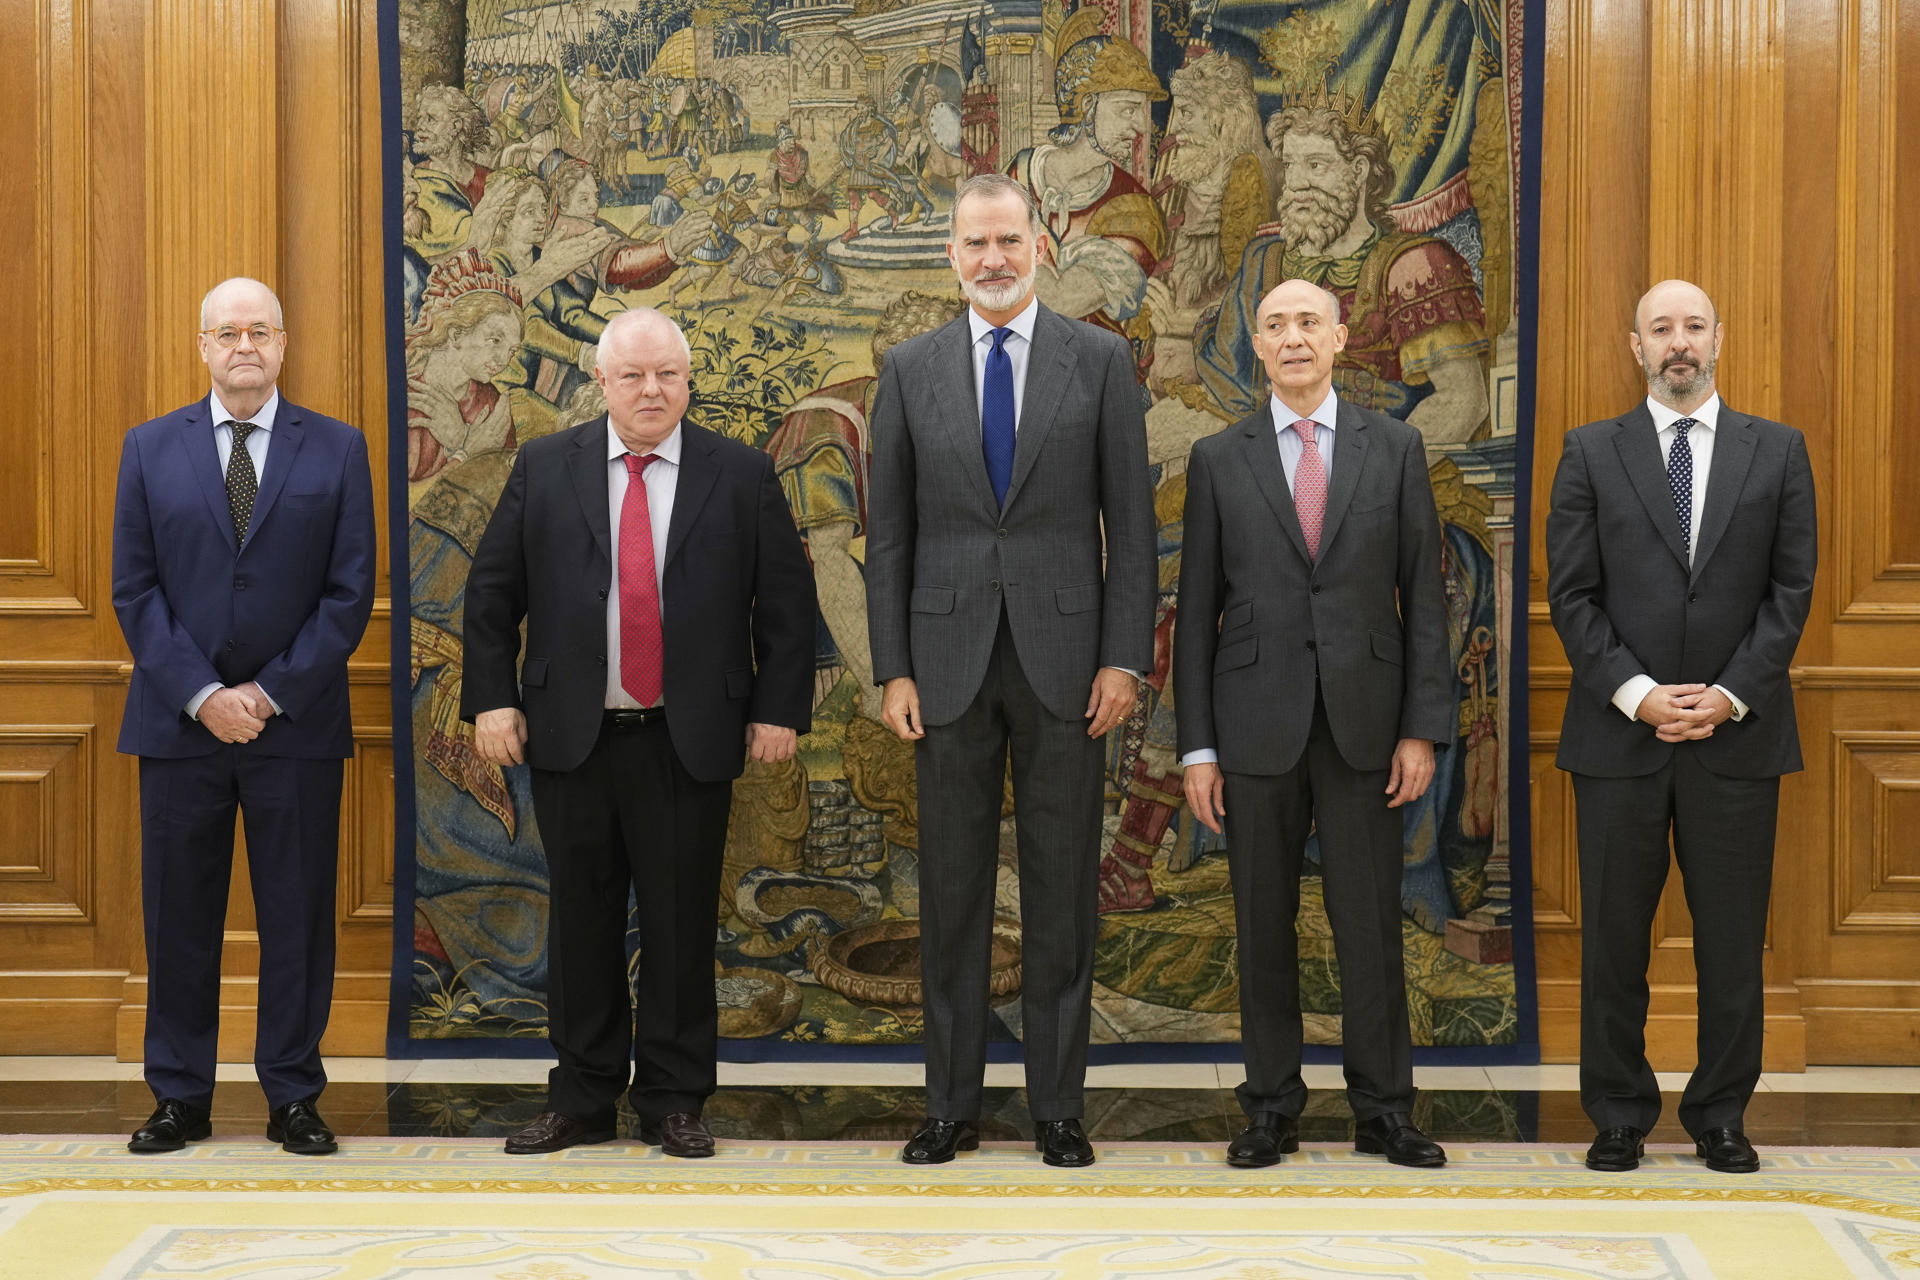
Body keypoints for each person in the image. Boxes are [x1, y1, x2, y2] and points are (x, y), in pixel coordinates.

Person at [462, 308, 816, 1158]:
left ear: (687, 381)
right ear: (604, 383)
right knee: (580, 924)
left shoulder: (739, 473)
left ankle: (672, 1101)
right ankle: (581, 1098)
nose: (652, 390)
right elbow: (489, 596)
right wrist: (492, 701)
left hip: (687, 737)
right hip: (569, 735)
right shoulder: (547, 466)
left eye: (667, 375)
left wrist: (777, 709)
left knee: (681, 924)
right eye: (633, 376)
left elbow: (789, 608)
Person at [865, 173, 1156, 1168]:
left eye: (1008, 239)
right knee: (950, 891)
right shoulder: (908, 369)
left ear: (1040, 245)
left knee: (1062, 887)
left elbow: (1134, 522)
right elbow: (889, 534)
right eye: (974, 242)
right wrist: (891, 667)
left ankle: (1057, 1108)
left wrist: (1125, 654)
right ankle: (949, 1104)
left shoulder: (1101, 361)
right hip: (942, 666)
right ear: (950, 254)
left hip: (1070, 665)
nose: (992, 257)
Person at [1174, 278, 1452, 1170]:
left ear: (1339, 338)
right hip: (1254, 728)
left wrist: (1422, 729)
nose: (1292, 338)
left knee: (1368, 922)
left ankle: (1385, 1110)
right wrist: (1197, 747)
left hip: (1368, 727)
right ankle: (1269, 1110)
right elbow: (1196, 613)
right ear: (1257, 347)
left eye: (1308, 323)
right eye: (1273, 326)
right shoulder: (1220, 460)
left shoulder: (1396, 449)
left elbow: (1427, 602)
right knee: (1261, 922)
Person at [1546, 279, 1816, 1175]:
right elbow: (1572, 597)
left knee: (1732, 941)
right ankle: (1618, 1114)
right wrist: (1640, 693)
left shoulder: (1777, 452)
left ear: (1719, 337)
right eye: (1660, 328)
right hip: (1621, 737)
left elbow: (1791, 592)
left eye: (1693, 326)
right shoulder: (1590, 453)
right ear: (1636, 347)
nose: (1678, 343)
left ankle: (1721, 1118)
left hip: (1737, 736)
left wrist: (1728, 694)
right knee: (1615, 940)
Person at [111, 277, 376, 1155]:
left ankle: (293, 1096)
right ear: (202, 347)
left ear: (285, 342)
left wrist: (265, 695)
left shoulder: (337, 450)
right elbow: (135, 589)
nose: (244, 347)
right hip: (179, 727)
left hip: (293, 727)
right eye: (226, 333)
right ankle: (179, 1097)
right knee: (179, 917)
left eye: (259, 331)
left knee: (296, 917)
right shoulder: (148, 449)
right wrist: (203, 695)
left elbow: (348, 595)